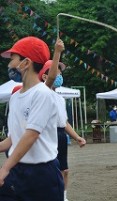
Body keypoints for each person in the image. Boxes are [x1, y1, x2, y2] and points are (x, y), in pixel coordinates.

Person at [0, 36, 64, 200]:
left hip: (41, 174)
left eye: (13, 59)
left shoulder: (42, 94)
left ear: (26, 63)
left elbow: (31, 135)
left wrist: (5, 168)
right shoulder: (15, 98)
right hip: (17, 170)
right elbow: (15, 137)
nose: (9, 65)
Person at [38, 39, 86, 201]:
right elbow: (50, 78)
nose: (60, 75)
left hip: (60, 136)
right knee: (49, 170)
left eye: (61, 72)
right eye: (57, 72)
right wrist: (57, 52)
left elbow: (63, 122)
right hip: (47, 135)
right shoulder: (41, 92)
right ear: (45, 75)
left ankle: (62, 197)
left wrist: (77, 136)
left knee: (64, 171)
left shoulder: (59, 98)